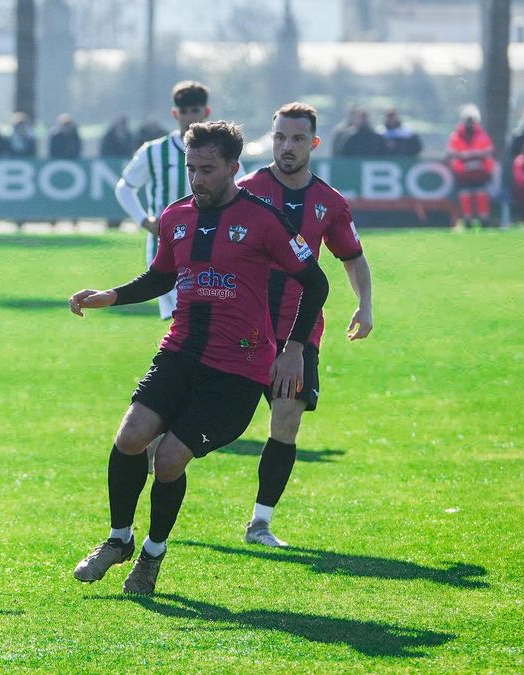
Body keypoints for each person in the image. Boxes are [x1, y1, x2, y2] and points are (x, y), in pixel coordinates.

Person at [69, 121, 329, 594]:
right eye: (192, 168)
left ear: (233, 168)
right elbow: (160, 277)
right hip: (179, 351)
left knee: (168, 461)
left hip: (237, 369)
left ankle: (151, 555)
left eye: (207, 170)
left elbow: (316, 282)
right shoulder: (175, 216)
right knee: (130, 438)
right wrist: (110, 295)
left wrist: (293, 349)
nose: (197, 179)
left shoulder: (264, 220)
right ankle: (117, 539)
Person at [236, 103, 373, 546]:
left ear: (313, 143)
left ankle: (260, 522)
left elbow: (352, 258)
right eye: (279, 138)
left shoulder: (329, 202)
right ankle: (156, 449)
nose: (287, 147)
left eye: (297, 139)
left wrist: (364, 304)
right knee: (210, 419)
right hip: (241, 325)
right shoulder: (246, 190)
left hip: (298, 329)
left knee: (287, 422)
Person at [115, 81, 211, 321]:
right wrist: (144, 220)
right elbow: (124, 188)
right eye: (185, 111)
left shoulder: (220, 151)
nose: (190, 117)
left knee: (202, 320)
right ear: (175, 114)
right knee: (181, 320)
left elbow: (239, 187)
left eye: (195, 111)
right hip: (166, 249)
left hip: (210, 244)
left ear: (206, 112)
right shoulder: (154, 151)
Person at [445, 105, 495, 229]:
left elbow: (488, 155)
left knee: (481, 195)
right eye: (468, 120)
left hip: (479, 172)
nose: (470, 123)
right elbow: (453, 157)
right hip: (464, 174)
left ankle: (484, 219)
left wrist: (487, 170)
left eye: (472, 120)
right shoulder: (456, 137)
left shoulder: (483, 136)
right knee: (465, 196)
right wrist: (461, 169)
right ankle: (467, 220)